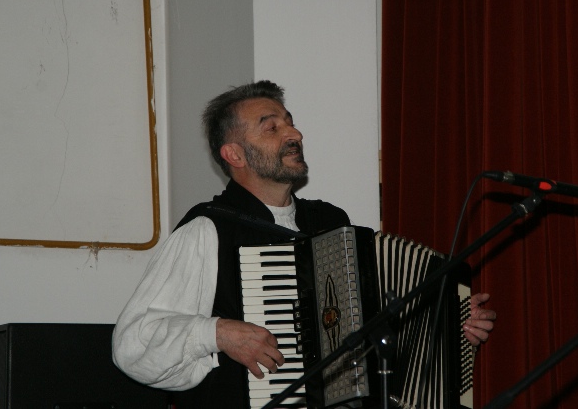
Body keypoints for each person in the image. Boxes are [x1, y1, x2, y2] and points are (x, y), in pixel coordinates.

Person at [112, 80, 496, 408]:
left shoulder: (331, 224)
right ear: (234, 154)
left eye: (290, 122)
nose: (294, 134)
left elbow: (375, 337)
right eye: (271, 127)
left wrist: (449, 326)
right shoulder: (207, 230)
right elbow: (131, 345)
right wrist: (218, 333)